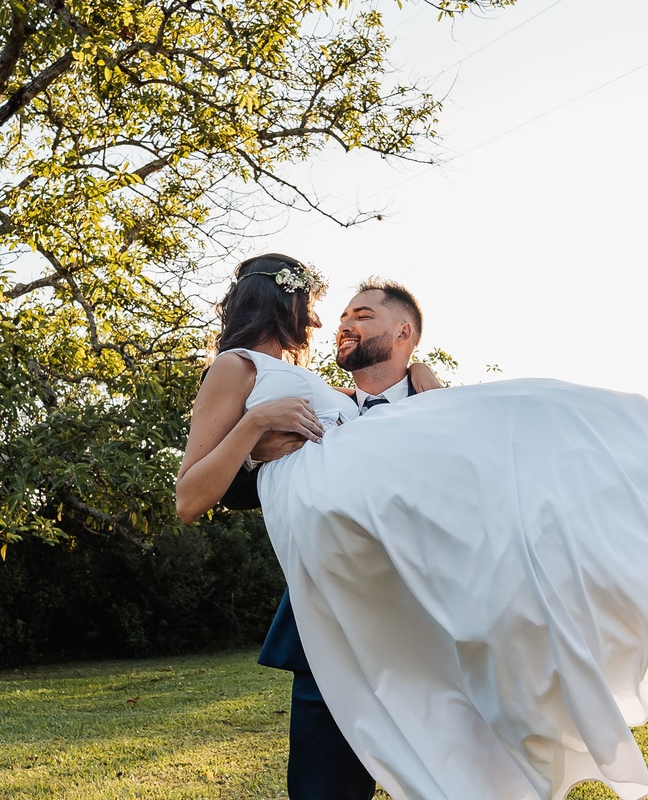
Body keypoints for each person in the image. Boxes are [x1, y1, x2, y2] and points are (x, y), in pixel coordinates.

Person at [176, 256, 648, 800]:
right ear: (284, 299)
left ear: (403, 334)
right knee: (331, 785)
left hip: (424, 587)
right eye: (323, 307)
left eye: (357, 314)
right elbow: (204, 491)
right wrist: (258, 425)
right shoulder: (250, 373)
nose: (329, 320)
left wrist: (426, 402)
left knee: (542, 454)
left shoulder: (382, 394)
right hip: (342, 594)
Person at [221, 261, 438, 800]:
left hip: (430, 633)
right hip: (327, 637)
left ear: (404, 332)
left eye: (362, 315)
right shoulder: (317, 410)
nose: (344, 324)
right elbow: (235, 491)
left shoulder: (441, 407)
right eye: (341, 315)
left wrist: (433, 393)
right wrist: (255, 450)